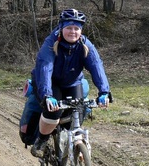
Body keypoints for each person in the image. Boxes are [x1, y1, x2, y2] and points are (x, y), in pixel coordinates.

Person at [30, 8, 111, 157]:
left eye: (76, 28)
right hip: (49, 83)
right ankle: (41, 141)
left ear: (81, 30)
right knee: (53, 112)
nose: (72, 32)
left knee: (77, 116)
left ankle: (74, 147)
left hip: (72, 83)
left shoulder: (85, 45)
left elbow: (97, 67)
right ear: (61, 28)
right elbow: (45, 69)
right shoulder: (50, 43)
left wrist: (104, 92)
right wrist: (47, 95)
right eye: (69, 28)